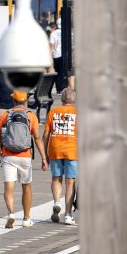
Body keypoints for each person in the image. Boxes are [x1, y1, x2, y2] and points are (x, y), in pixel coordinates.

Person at [0, 90, 47, 229]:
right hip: (25, 156)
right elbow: (37, 138)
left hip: (8, 155)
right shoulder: (31, 116)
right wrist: (44, 158)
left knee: (9, 186)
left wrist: (0, 150)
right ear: (25, 101)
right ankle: (26, 218)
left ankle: (11, 213)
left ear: (13, 101)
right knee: (26, 186)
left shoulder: (6, 115)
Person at [45, 88, 79, 226]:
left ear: (62, 99)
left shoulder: (53, 112)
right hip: (72, 150)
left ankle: (57, 202)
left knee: (56, 178)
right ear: (73, 99)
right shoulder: (78, 113)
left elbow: (46, 134)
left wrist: (45, 154)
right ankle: (68, 215)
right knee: (70, 182)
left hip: (55, 149)